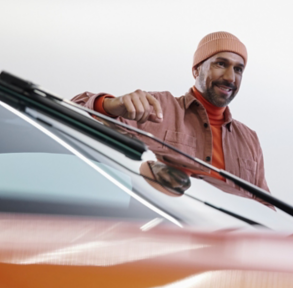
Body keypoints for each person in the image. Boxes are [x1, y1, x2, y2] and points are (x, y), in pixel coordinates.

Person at [72, 31, 271, 206]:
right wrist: (109, 106)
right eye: (221, 64)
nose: (230, 77)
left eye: (238, 69)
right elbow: (72, 112)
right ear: (196, 70)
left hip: (229, 246)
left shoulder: (249, 140)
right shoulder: (156, 107)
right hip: (161, 237)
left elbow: (264, 206)